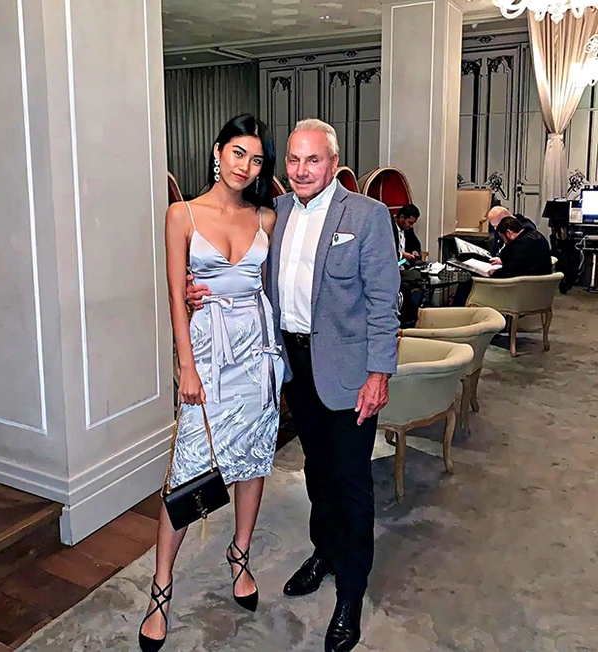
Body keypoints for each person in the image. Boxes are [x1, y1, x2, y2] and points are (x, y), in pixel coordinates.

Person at [188, 119, 399, 652]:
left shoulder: (367, 216)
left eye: (313, 160)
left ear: (334, 162)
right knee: (315, 472)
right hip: (293, 365)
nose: (302, 170)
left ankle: (350, 592)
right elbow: (242, 273)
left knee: (351, 482)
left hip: (349, 372)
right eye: (294, 160)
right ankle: (324, 552)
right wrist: (198, 291)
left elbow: (384, 303)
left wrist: (379, 374)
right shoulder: (275, 213)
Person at [138, 114, 284, 652]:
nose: (246, 166)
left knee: (254, 458)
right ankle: (161, 586)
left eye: (257, 159)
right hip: (206, 353)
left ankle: (239, 553)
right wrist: (187, 365)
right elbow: (176, 295)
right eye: (238, 153)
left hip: (256, 355)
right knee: (188, 470)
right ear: (218, 151)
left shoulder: (266, 218)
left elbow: (272, 287)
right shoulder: (181, 214)